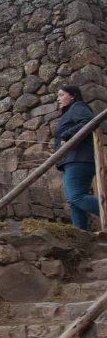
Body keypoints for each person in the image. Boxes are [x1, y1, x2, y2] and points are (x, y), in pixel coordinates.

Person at [54, 84, 99, 230]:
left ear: (72, 95)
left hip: (79, 159)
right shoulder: (69, 112)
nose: (58, 98)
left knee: (76, 196)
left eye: (61, 95)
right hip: (71, 160)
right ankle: (81, 234)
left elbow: (88, 121)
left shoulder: (78, 106)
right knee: (73, 201)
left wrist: (67, 134)